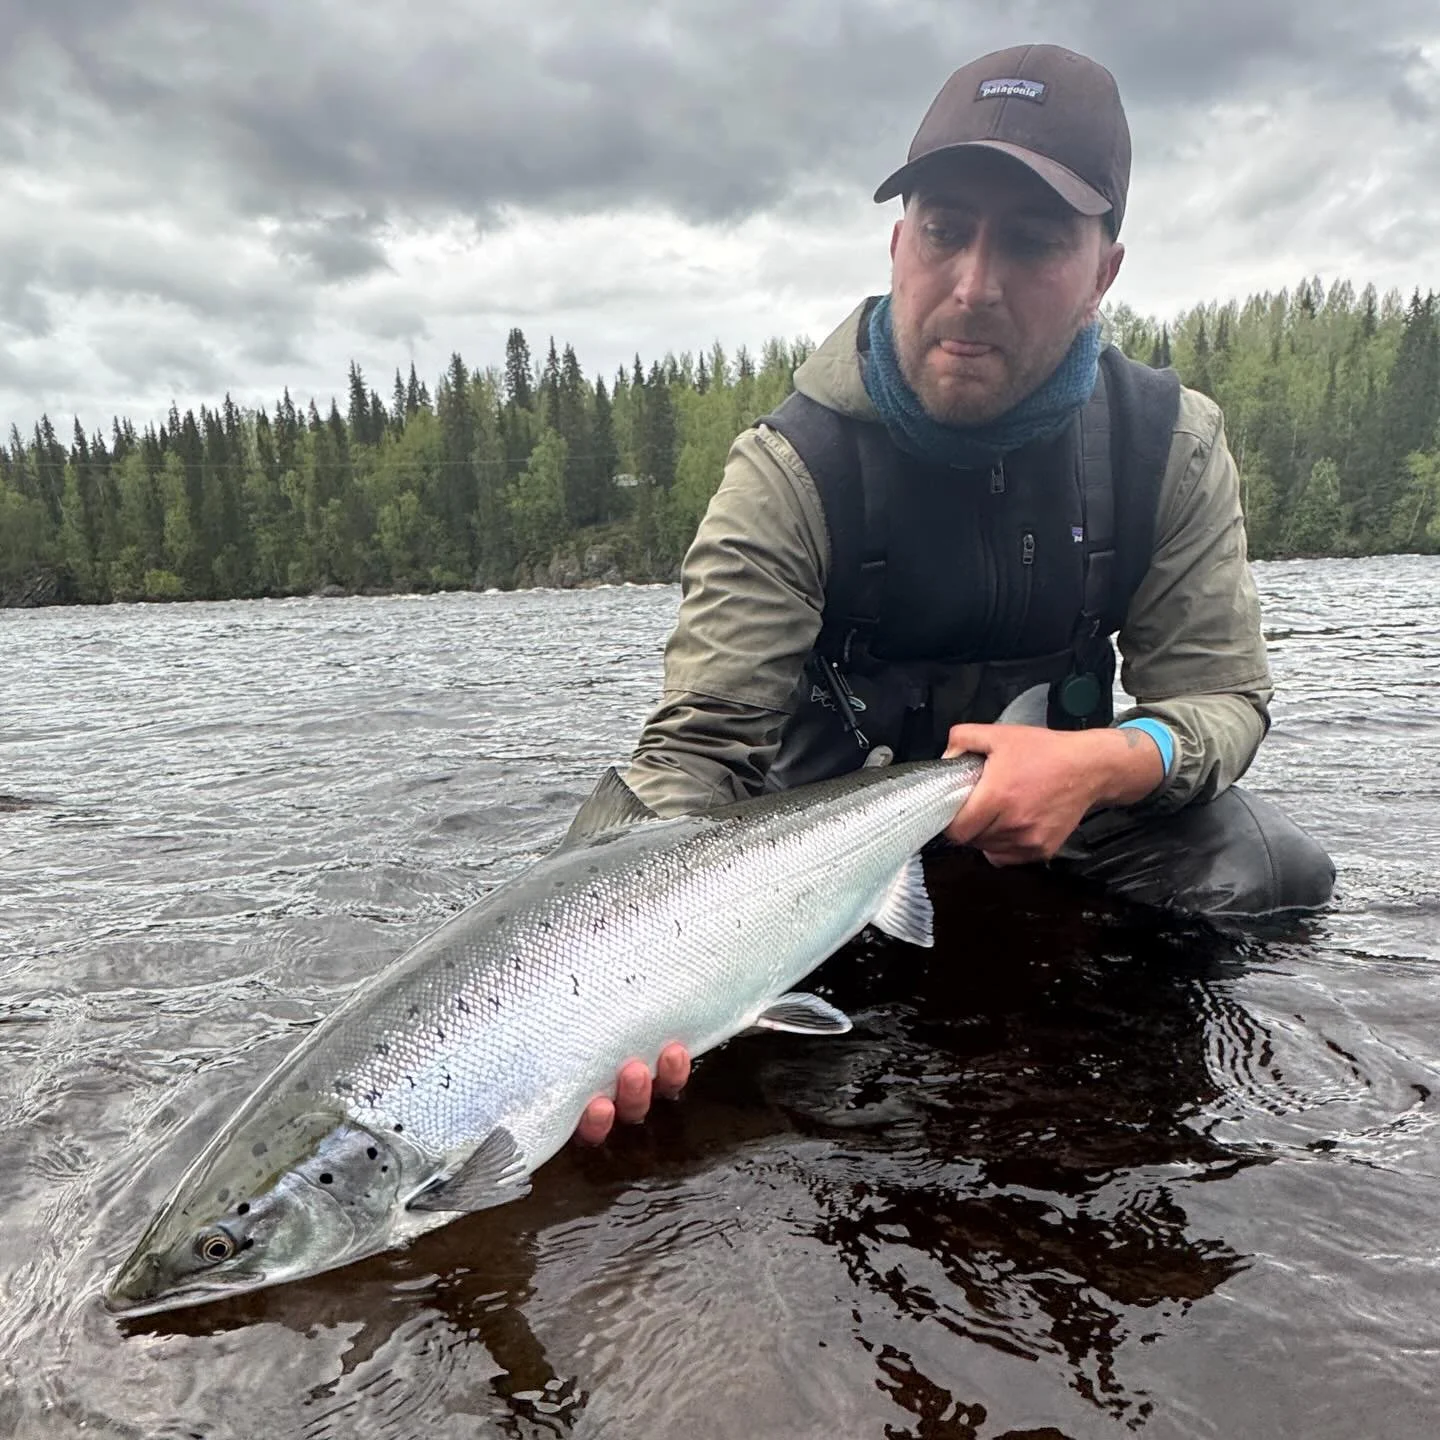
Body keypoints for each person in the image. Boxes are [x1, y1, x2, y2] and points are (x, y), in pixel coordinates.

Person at [575, 42, 1334, 1144]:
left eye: (1030, 243)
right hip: (817, 856)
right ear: (898, 241)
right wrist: (623, 984)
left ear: (1103, 273)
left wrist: (1111, 760)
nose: (973, 285)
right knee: (674, 1067)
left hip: (1053, 814)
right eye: (944, 231)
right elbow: (694, 758)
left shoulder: (1168, 445)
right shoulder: (790, 469)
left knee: (1273, 876)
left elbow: (1222, 701)